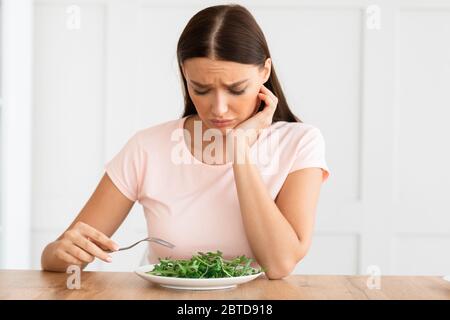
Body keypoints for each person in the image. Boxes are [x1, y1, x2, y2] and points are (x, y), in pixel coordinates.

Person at [41, 4, 330, 280]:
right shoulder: (148, 147)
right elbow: (55, 258)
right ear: (185, 77)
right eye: (201, 89)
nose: (218, 108)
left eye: (236, 89)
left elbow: (279, 264)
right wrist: (61, 253)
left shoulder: (300, 143)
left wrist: (240, 150)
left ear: (264, 72)